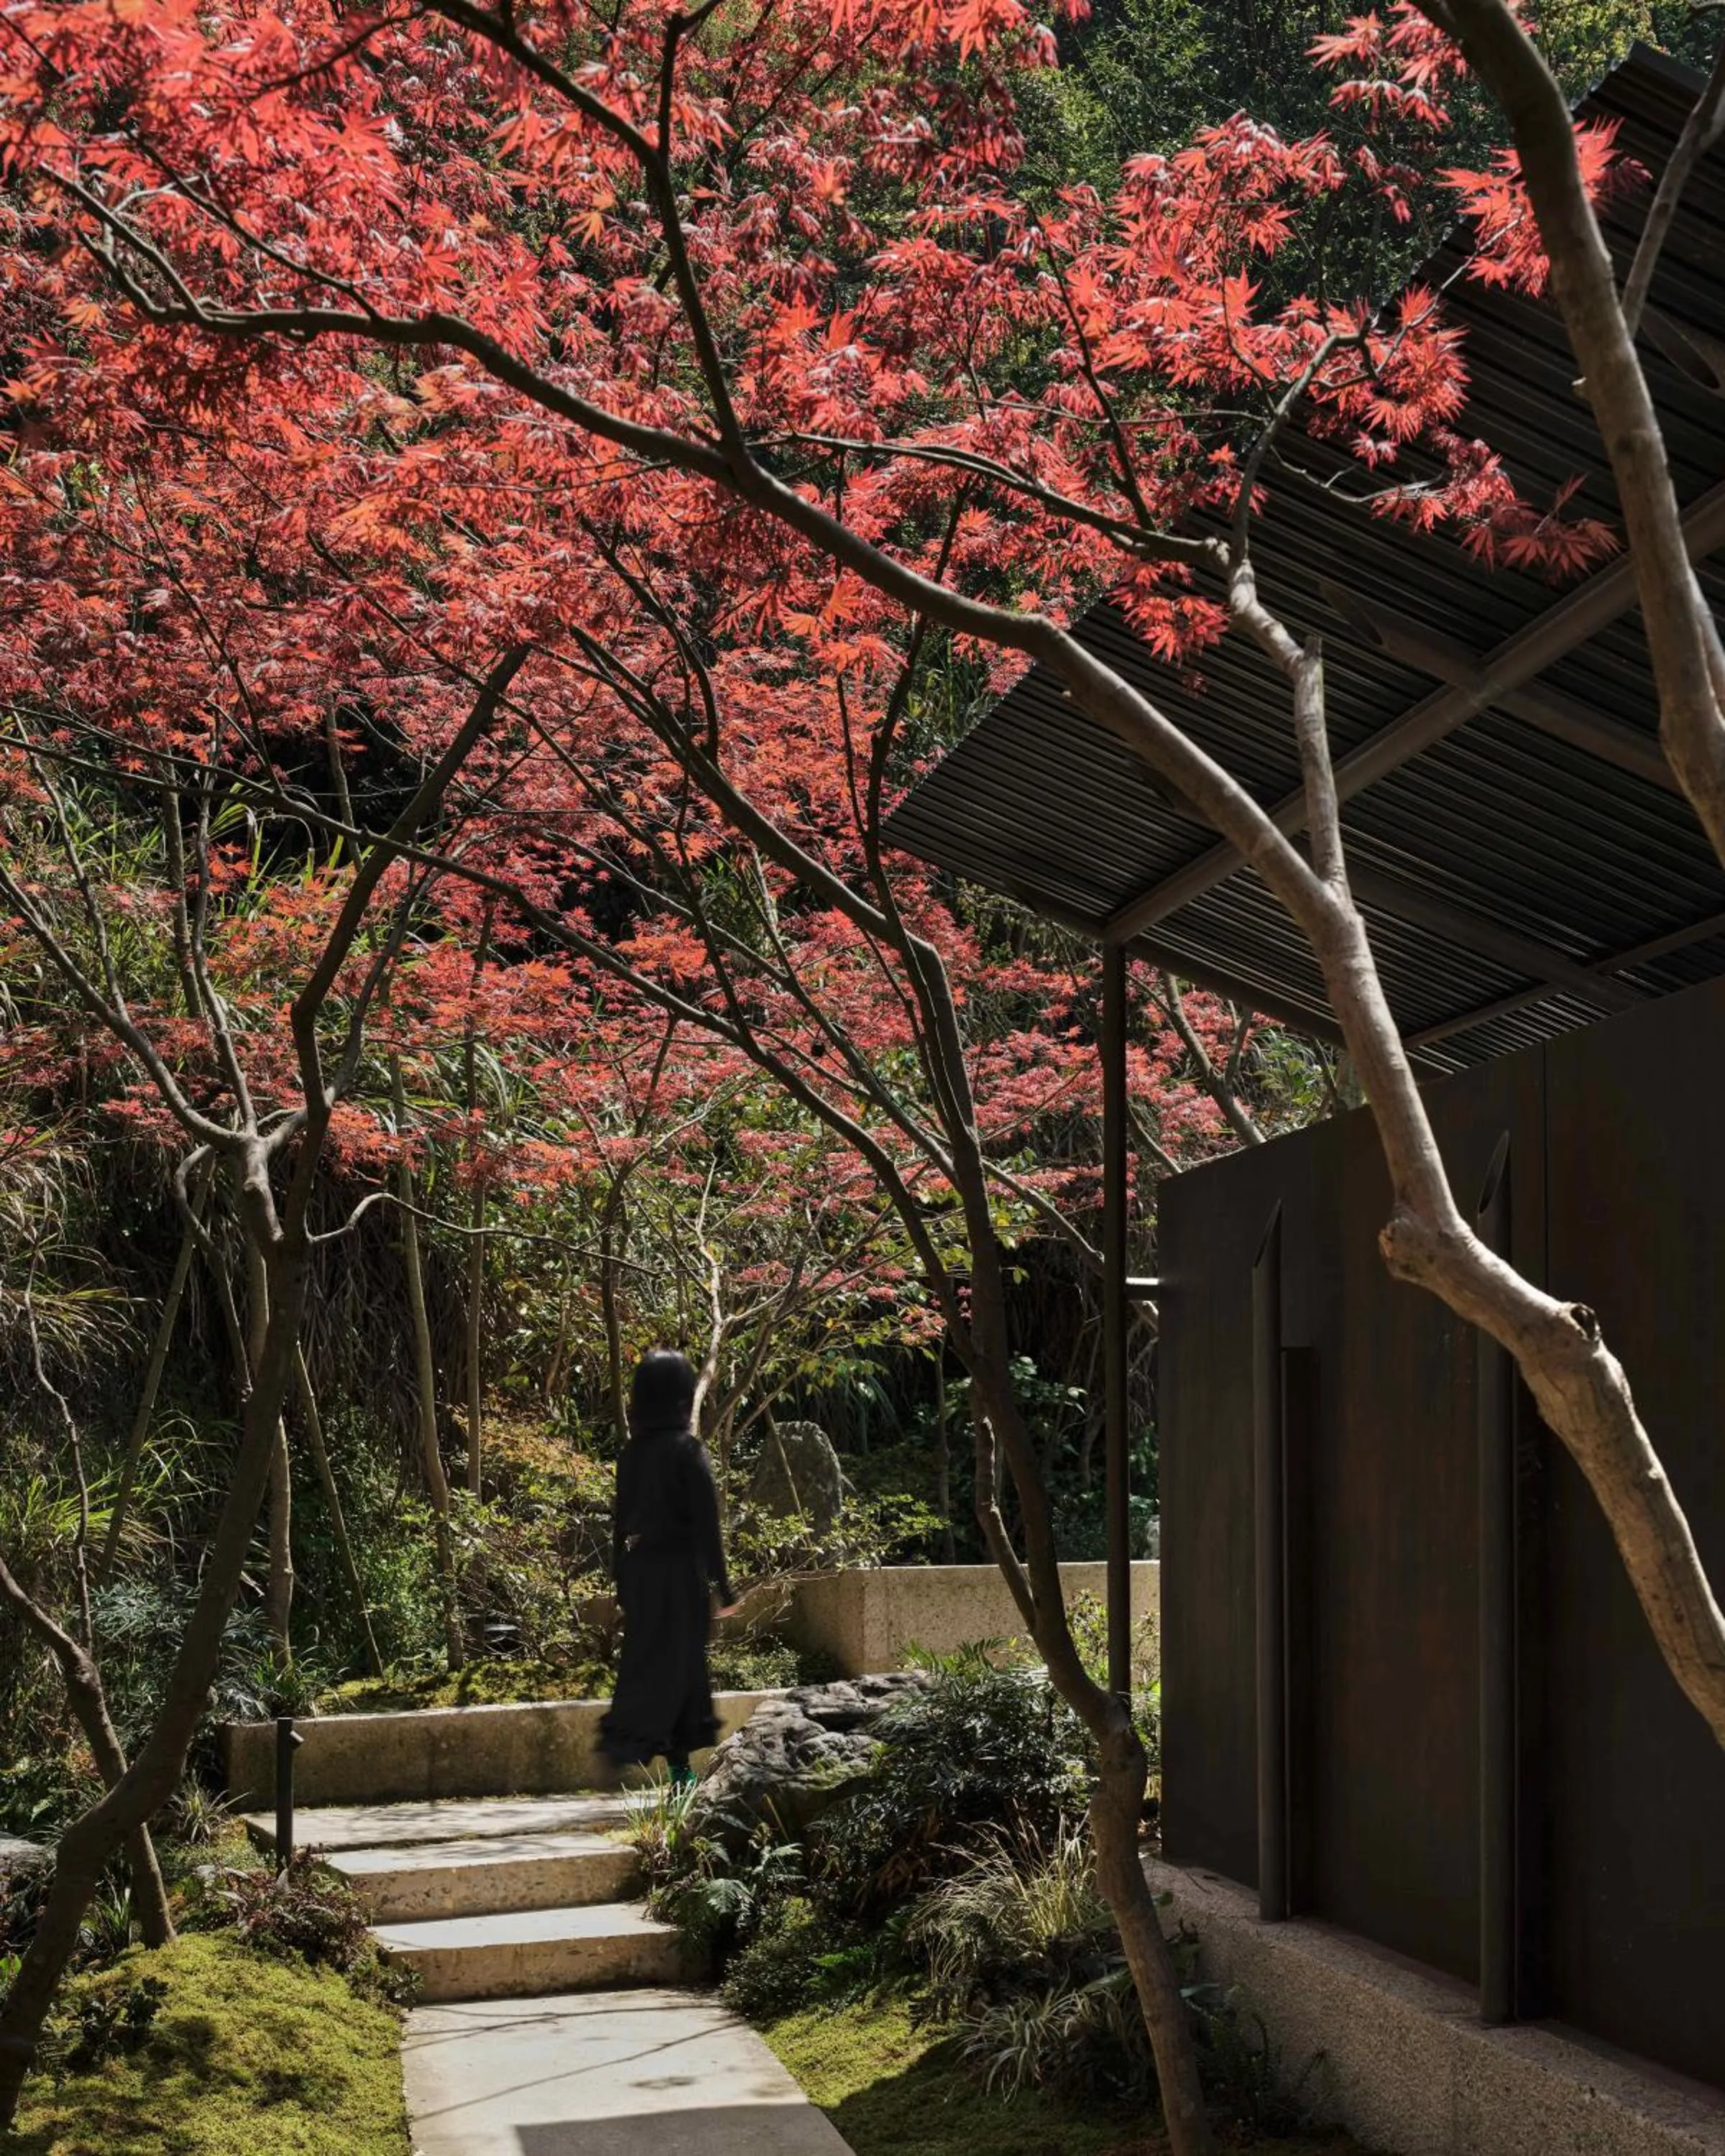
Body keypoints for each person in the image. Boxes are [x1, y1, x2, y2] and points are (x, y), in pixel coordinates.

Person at [599, 1348, 740, 1786]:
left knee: (646, 1665)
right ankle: (680, 1773)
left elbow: (619, 1524)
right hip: (681, 1574)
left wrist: (621, 1580)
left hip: (642, 1571)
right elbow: (707, 1525)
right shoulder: (687, 1450)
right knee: (684, 1668)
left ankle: (630, 1748)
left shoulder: (631, 1455)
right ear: (682, 1396)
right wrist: (725, 1587)